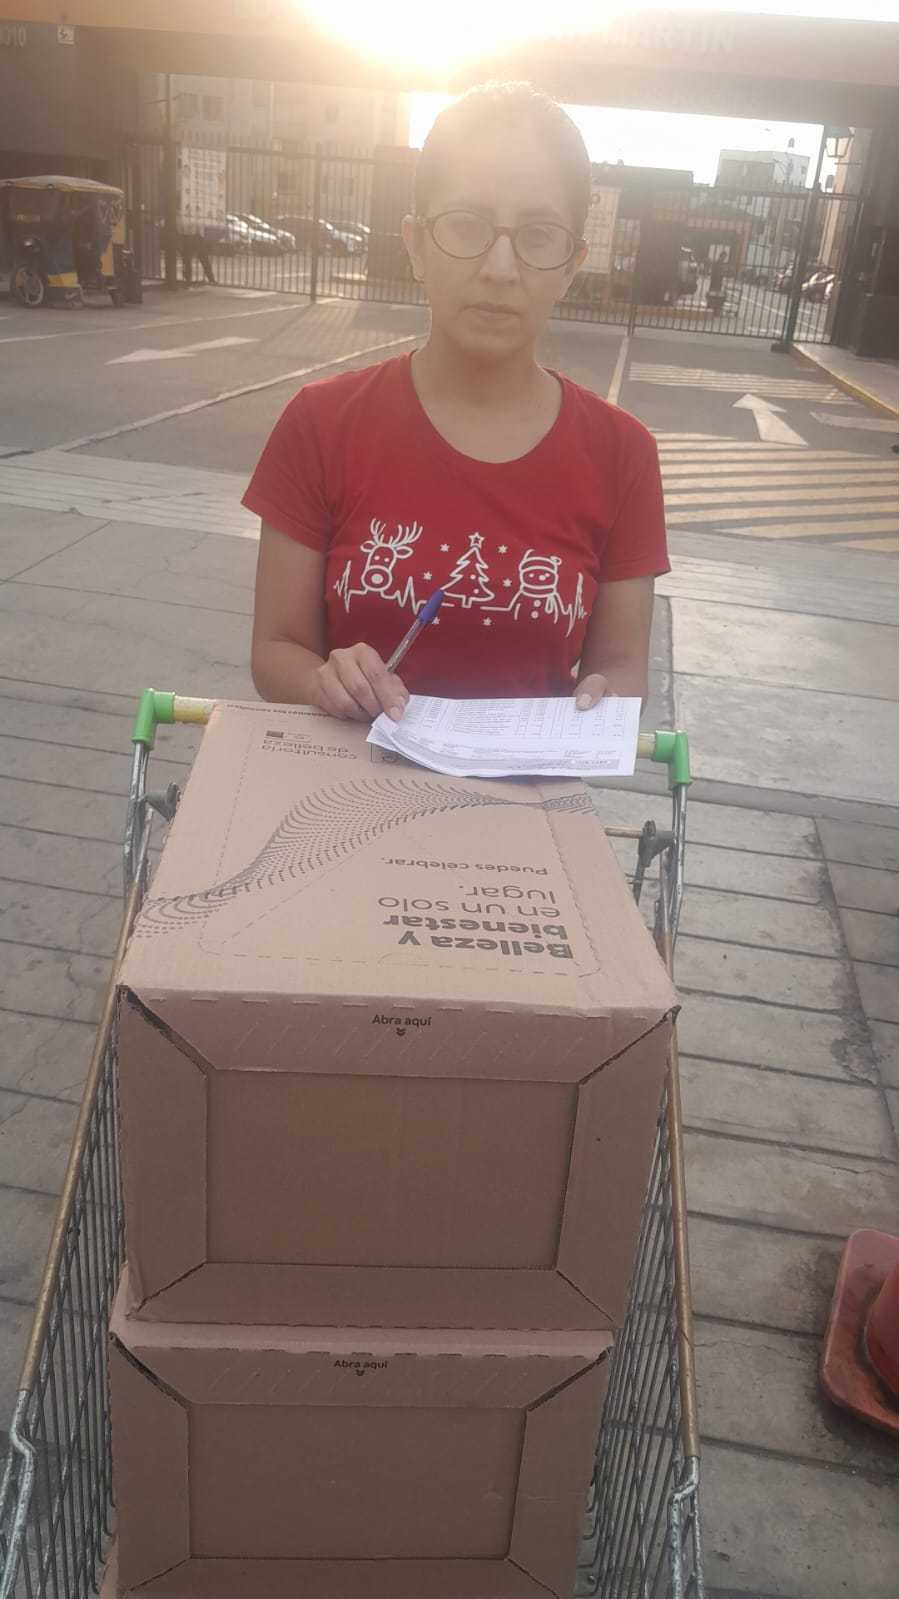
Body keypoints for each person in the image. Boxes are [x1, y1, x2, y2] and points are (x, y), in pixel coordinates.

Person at [245, 83, 668, 723]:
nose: (500, 268)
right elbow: (276, 650)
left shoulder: (622, 452)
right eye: (467, 225)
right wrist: (321, 681)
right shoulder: (321, 424)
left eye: (538, 235)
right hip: (348, 777)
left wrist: (606, 704)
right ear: (415, 243)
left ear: (571, 265)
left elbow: (623, 666)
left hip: (528, 783)